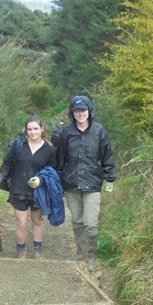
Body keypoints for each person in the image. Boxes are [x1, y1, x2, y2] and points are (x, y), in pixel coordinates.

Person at [53, 95, 115, 272]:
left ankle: (92, 256)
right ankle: (80, 251)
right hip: (71, 183)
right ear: (72, 113)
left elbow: (106, 154)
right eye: (77, 111)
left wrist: (110, 177)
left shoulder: (99, 130)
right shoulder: (66, 133)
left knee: (91, 222)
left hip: (92, 183)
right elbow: (60, 159)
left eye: (83, 110)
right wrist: (58, 180)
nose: (80, 114)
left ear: (89, 111)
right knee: (77, 219)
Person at [0, 114, 57, 259]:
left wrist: (40, 180)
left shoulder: (49, 150)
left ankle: (38, 251)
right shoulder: (18, 145)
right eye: (29, 129)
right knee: (21, 223)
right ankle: (20, 251)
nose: (33, 132)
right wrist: (0, 176)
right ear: (25, 130)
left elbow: (52, 171)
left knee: (37, 221)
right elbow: (7, 162)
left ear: (42, 129)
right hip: (18, 189)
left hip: (38, 192)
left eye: (36, 129)